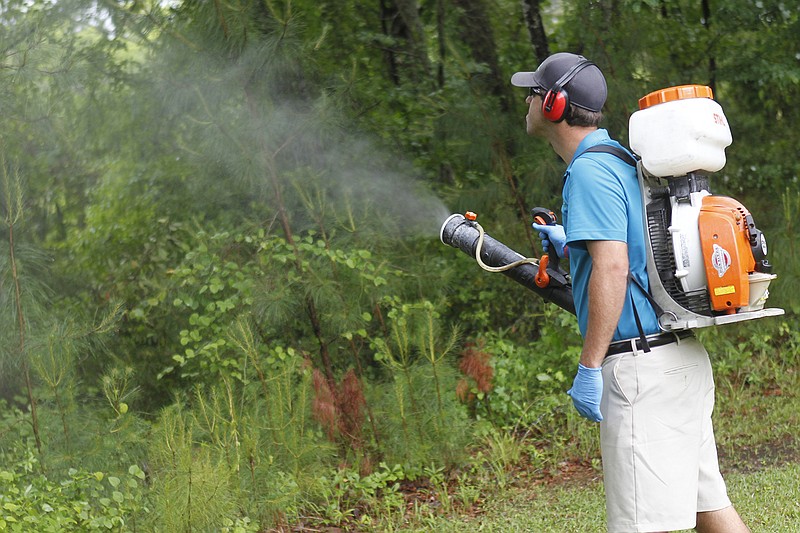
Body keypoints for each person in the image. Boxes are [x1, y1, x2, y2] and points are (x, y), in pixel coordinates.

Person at [511, 52, 750, 533]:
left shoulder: (587, 172)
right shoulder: (621, 158)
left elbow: (614, 265)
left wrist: (590, 365)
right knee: (711, 511)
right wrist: (573, 242)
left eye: (534, 92)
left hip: (642, 374)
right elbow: (636, 247)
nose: (529, 100)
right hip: (681, 363)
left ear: (554, 105)